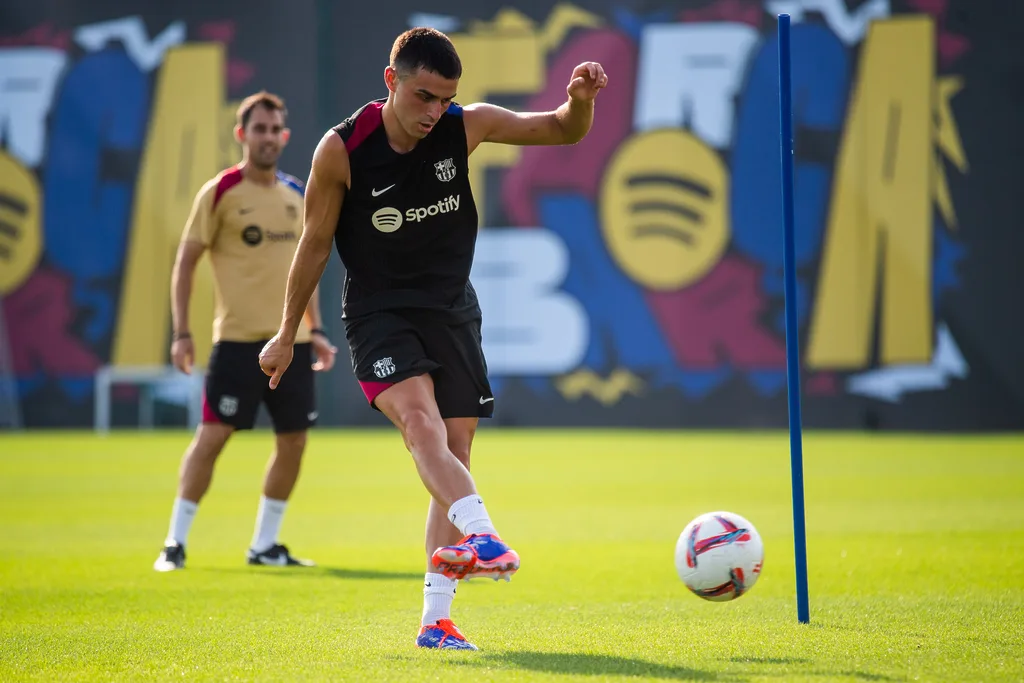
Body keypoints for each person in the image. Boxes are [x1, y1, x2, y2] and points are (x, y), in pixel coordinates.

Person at [258, 28, 607, 648]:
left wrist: (579, 101)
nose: (434, 112)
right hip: (379, 314)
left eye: (445, 99)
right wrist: (288, 332)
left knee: (456, 451)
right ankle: (485, 535)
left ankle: (435, 621)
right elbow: (313, 246)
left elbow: (561, 129)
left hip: (450, 310)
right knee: (422, 426)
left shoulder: (464, 126)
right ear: (390, 80)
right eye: (423, 96)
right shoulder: (341, 149)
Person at [154, 91, 338, 573]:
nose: (268, 137)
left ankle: (265, 544)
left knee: (294, 442)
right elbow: (185, 262)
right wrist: (181, 333)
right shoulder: (219, 192)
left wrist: (316, 330)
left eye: (275, 129)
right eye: (259, 128)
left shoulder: (298, 194)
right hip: (237, 343)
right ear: (241, 134)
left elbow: (305, 270)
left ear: (285, 136)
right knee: (212, 437)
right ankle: (174, 543)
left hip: (293, 345)